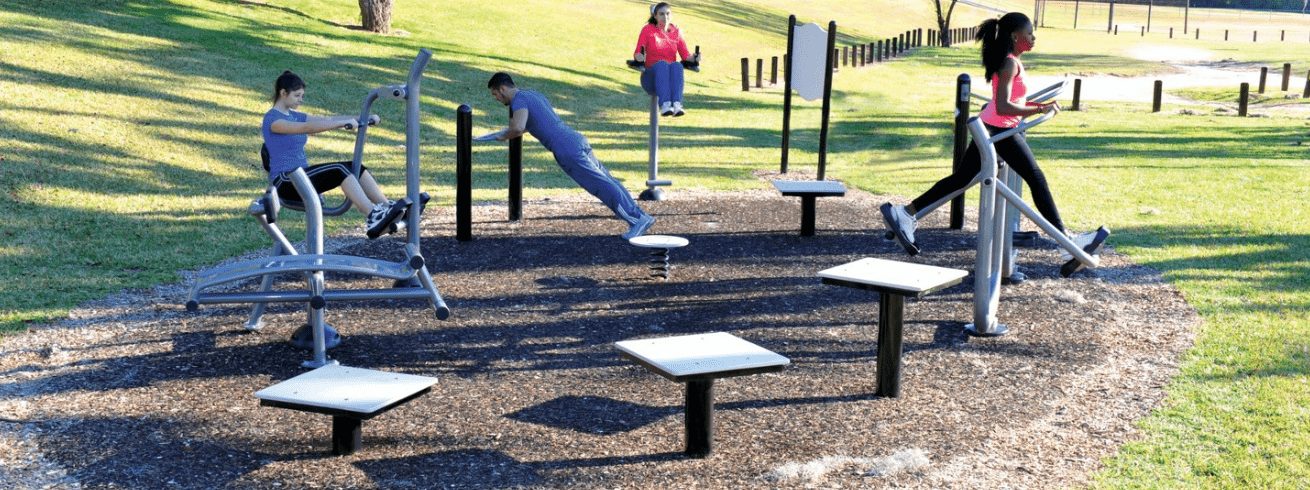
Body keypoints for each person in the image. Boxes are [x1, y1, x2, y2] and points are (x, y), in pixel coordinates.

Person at [880, 12, 1108, 265]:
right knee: (1036, 178)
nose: (1034, 37)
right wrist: (1038, 110)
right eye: (1029, 33)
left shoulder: (1011, 61)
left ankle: (905, 213)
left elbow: (1013, 101)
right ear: (1015, 36)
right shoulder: (1010, 63)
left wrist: (1039, 105)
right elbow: (1003, 106)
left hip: (993, 128)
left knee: (962, 179)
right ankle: (1067, 243)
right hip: (999, 131)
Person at [487, 72, 656, 240]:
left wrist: (501, 136)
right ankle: (640, 216)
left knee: (600, 185)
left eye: (495, 94)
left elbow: (517, 127)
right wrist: (496, 134)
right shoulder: (531, 94)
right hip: (574, 138)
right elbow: (534, 124)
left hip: (565, 147)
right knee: (606, 179)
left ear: (502, 89)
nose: (496, 99)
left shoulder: (518, 101)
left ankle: (637, 220)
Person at [262, 70, 410, 239]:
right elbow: (307, 128)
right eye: (297, 96)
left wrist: (362, 117)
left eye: (302, 95)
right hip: (286, 181)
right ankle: (372, 216)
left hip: (301, 176)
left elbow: (326, 119)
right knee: (339, 169)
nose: (301, 100)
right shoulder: (272, 120)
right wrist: (342, 124)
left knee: (355, 167)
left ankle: (387, 208)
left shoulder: (295, 115)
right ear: (283, 93)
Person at [633, 2, 699, 117]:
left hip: (669, 81)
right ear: (655, 16)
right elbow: (638, 52)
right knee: (662, 64)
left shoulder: (676, 32)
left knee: (677, 65)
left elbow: (685, 55)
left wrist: (695, 58)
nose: (665, 17)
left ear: (671, 15)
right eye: (661, 14)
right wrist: (639, 57)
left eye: (668, 14)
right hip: (650, 78)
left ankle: (677, 104)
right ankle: (665, 105)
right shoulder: (648, 30)